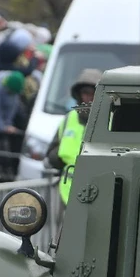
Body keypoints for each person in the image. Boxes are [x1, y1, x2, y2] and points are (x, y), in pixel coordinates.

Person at [46, 69, 102, 205]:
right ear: (79, 95)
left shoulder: (112, 120)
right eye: (85, 93)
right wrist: (60, 155)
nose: (89, 98)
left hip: (100, 193)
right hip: (67, 192)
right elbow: (51, 155)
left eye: (93, 93)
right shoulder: (68, 119)